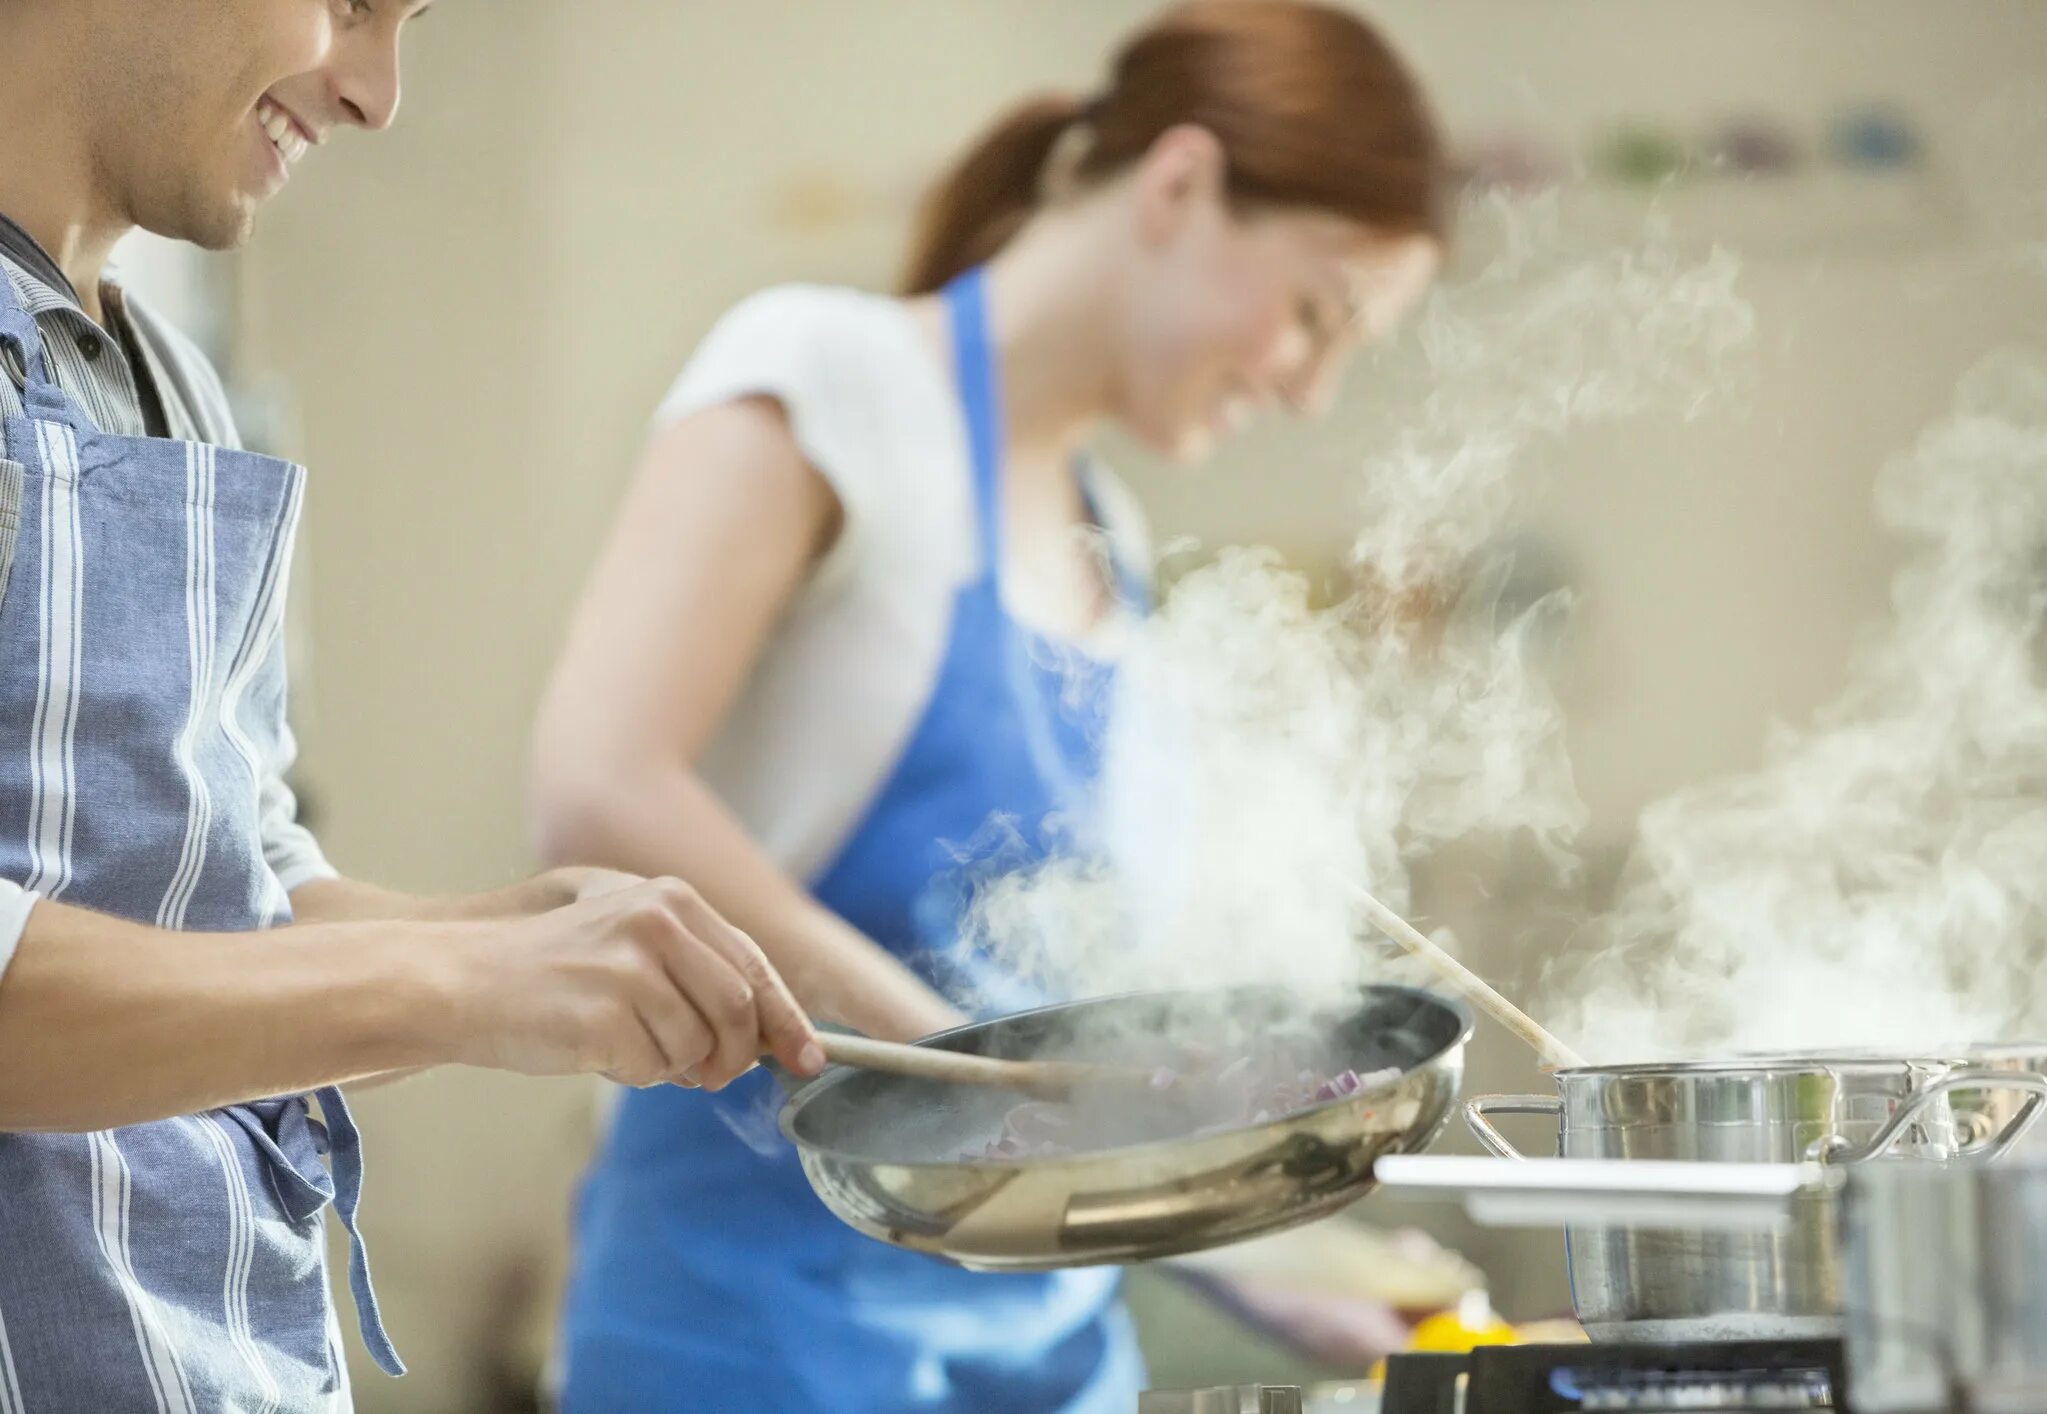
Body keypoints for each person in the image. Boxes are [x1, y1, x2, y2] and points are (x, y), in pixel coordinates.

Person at [530, 3, 1453, 1408]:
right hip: (759, 1345)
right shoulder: (823, 382)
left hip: (1054, 1361)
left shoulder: (1113, 544)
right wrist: (989, 1097)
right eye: (1317, 311)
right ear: (1180, 184)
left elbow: (1063, 1034)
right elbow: (601, 787)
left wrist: (1259, 1254)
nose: (1314, 389)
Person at [0, 2, 821, 1408]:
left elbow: (229, 905)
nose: (377, 95)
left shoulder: (175, 389)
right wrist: (451, 983)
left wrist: (523, 940)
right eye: (357, 3)